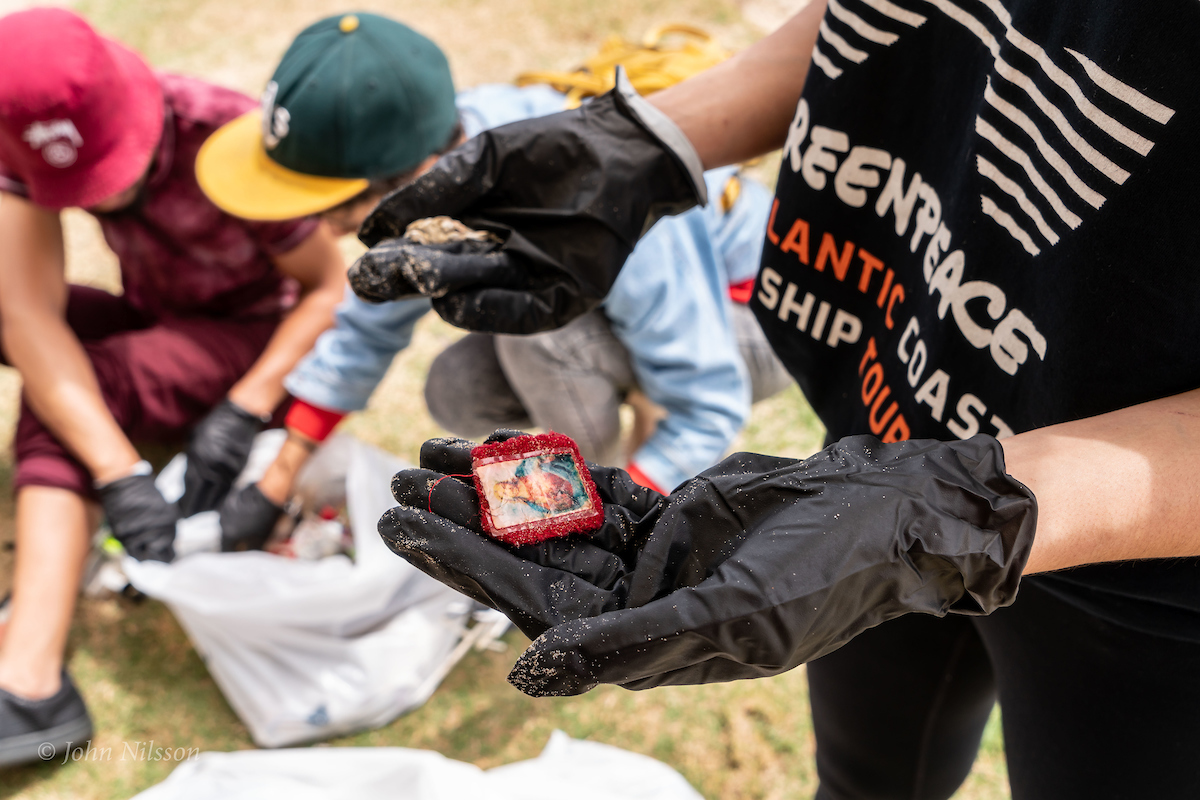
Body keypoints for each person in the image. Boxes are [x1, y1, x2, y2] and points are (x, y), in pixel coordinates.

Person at [359, 1, 1200, 796]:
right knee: (864, 782)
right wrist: (651, 143)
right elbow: (890, 21)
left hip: (1132, 574)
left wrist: (948, 511)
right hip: (886, 432)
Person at [195, 12, 790, 550]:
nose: (319, 224)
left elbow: (707, 402)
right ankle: (573, 484)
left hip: (757, 316)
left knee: (532, 329)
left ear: (412, 176)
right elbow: (366, 329)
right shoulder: (444, 171)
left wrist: (604, 523)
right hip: (637, 312)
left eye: (329, 204)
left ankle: (580, 515)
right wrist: (274, 483)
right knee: (457, 388)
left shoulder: (579, 191)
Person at [0, 9, 346, 766]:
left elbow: (330, 288)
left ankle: (29, 679)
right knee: (42, 357)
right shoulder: (16, 141)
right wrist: (120, 474)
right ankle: (42, 599)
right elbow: (26, 316)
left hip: (261, 337)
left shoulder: (225, 134)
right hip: (164, 313)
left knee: (81, 387)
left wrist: (247, 402)